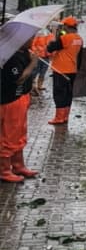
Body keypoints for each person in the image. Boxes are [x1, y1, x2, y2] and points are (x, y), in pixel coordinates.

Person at [0, 38, 39, 182]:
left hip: (21, 98)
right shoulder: (9, 56)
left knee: (19, 133)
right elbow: (19, 78)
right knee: (9, 136)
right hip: (10, 101)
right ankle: (4, 170)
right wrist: (33, 63)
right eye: (30, 38)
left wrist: (31, 86)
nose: (32, 40)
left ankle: (18, 165)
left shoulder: (23, 52)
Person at [46, 16, 84, 127]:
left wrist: (56, 36)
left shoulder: (65, 38)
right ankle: (65, 116)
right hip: (73, 70)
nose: (63, 27)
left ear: (67, 26)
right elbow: (80, 56)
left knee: (59, 93)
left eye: (63, 26)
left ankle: (59, 118)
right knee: (68, 93)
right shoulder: (79, 39)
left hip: (61, 69)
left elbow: (50, 48)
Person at [30, 30, 51, 96]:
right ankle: (32, 86)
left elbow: (51, 44)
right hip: (38, 57)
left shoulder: (49, 34)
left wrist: (50, 53)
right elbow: (33, 45)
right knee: (35, 71)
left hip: (46, 56)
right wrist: (37, 51)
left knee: (43, 72)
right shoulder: (38, 34)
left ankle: (39, 86)